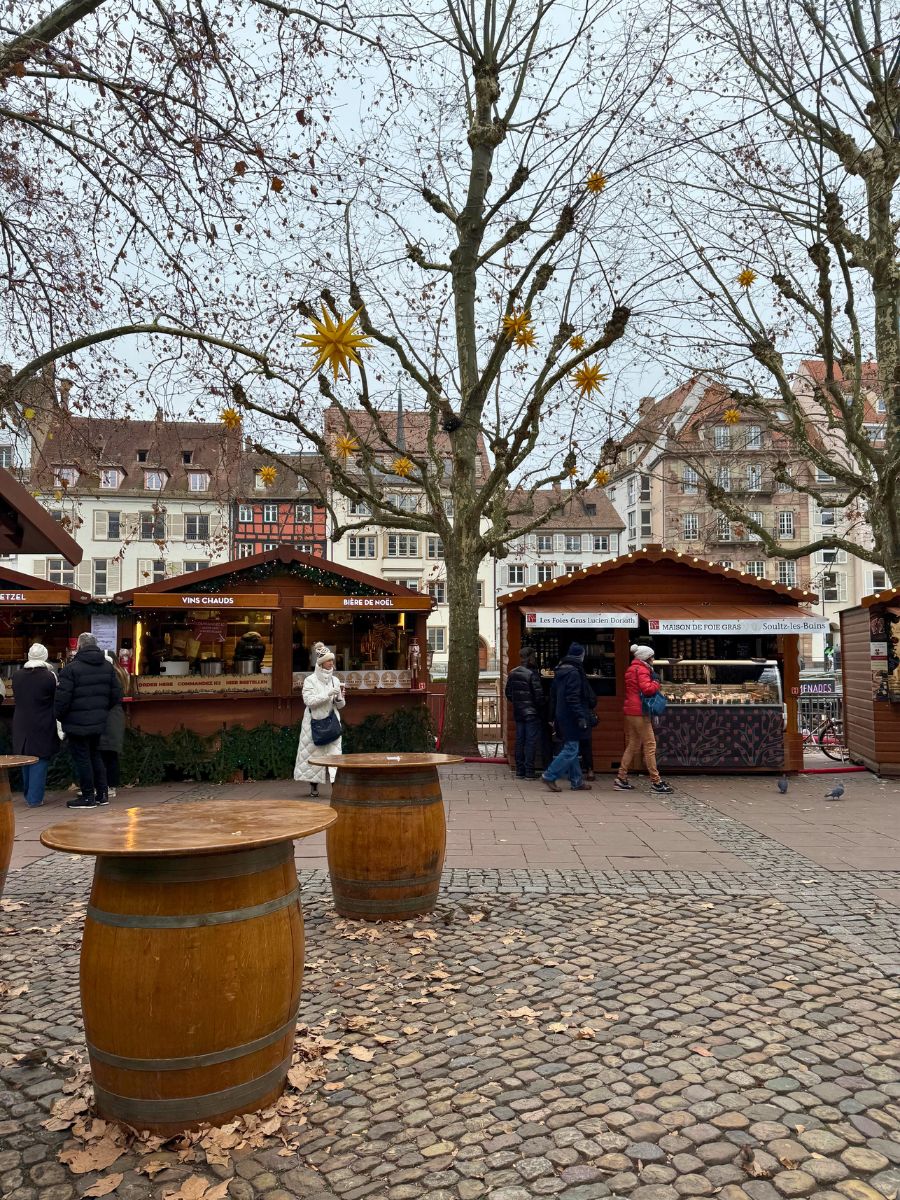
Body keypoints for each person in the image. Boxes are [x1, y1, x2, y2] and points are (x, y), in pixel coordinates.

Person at [55, 632, 123, 809]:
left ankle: (87, 796)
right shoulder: (107, 667)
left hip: (76, 722)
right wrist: (101, 711)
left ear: (79, 646)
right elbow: (116, 695)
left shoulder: (70, 669)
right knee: (95, 755)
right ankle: (102, 794)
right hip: (99, 721)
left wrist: (60, 716)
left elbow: (62, 699)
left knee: (82, 758)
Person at [615, 643, 673, 794]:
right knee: (650, 745)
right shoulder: (642, 669)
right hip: (640, 711)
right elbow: (647, 689)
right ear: (646, 658)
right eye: (652, 657)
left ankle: (621, 778)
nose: (653, 659)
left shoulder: (632, 668)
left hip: (630, 710)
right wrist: (656, 682)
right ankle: (656, 781)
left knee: (633, 744)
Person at [294, 642, 346, 798]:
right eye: (328, 660)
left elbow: (340, 705)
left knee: (335, 755)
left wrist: (339, 698)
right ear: (321, 663)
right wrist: (329, 693)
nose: (331, 662)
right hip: (314, 722)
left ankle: (336, 787)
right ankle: (313, 786)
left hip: (332, 721)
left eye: (332, 660)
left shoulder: (335, 680)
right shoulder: (310, 680)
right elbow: (309, 701)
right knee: (314, 754)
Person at [12, 644, 60, 808]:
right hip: (43, 721)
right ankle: (34, 798)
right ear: (44, 656)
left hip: (21, 721)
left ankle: (29, 795)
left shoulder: (17, 676)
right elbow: (56, 698)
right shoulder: (49, 676)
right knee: (40, 759)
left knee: (25, 758)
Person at [541, 642, 593, 793]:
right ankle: (550, 775)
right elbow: (573, 697)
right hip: (571, 716)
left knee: (571, 747)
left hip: (561, 713)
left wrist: (552, 715)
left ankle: (577, 781)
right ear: (580, 655)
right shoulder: (574, 673)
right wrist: (580, 716)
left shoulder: (560, 671)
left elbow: (554, 695)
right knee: (571, 749)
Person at [504, 647, 544, 780]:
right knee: (530, 741)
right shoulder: (533, 674)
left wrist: (518, 703)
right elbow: (539, 696)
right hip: (532, 712)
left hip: (519, 711)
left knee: (520, 740)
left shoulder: (513, 672)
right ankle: (529, 771)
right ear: (531, 657)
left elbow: (508, 693)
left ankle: (519, 770)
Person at [99, 652, 130, 799]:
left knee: (105, 754)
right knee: (111, 754)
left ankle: (108, 786)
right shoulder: (122, 673)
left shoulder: (111, 676)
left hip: (109, 717)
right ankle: (110, 785)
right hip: (116, 717)